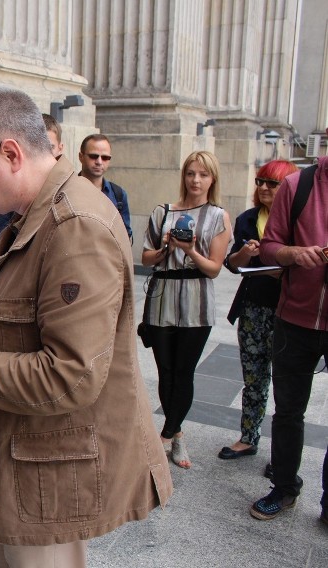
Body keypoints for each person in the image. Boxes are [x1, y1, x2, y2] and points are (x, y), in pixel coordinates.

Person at [0, 84, 172, 568]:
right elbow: (33, 320)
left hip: (50, 476)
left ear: (9, 153)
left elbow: (70, 374)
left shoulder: (74, 225)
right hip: (32, 464)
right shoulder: (34, 214)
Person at [249, 148, 328, 524]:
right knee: (288, 412)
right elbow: (270, 246)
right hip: (294, 318)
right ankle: (283, 487)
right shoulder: (298, 185)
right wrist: (294, 253)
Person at [141, 151, 232, 469]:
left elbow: (214, 269)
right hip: (163, 297)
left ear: (213, 179)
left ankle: (166, 435)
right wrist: (166, 248)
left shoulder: (219, 216)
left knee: (184, 372)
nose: (196, 180)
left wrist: (190, 249)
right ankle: (176, 435)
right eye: (191, 173)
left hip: (197, 301)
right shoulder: (162, 211)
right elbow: (145, 258)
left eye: (203, 175)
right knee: (165, 371)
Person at [218, 160, 298, 461]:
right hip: (253, 309)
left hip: (288, 310)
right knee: (254, 377)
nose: (263, 187)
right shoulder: (248, 219)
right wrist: (245, 254)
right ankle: (249, 437)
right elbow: (232, 264)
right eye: (260, 181)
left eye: (272, 183)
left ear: (288, 187)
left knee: (287, 385)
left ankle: (283, 454)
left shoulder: (298, 221)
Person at [78, 133, 132, 241]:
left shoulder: (118, 195)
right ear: (81, 157)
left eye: (105, 157)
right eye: (93, 156)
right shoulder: (67, 190)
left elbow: (126, 236)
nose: (99, 162)